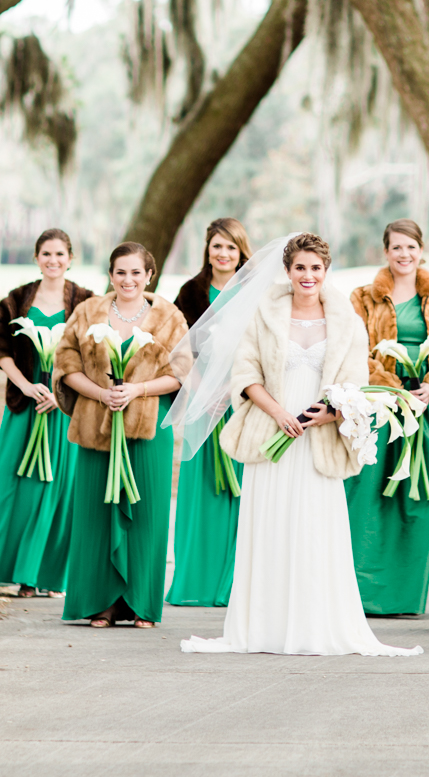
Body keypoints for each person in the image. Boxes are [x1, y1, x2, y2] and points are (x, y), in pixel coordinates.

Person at [180, 233, 421, 657]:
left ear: (325, 271)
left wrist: (330, 413)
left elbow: (355, 383)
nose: (308, 276)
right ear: (287, 271)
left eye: (315, 268)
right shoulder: (264, 312)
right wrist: (277, 413)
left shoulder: (345, 318)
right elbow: (245, 373)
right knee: (269, 525)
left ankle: (316, 625)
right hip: (272, 430)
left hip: (319, 437)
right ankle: (264, 627)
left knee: (315, 527)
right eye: (300, 268)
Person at [53, 242, 189, 628]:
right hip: (96, 426)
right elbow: (65, 364)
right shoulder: (88, 311)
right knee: (95, 515)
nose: (128, 280)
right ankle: (100, 604)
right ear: (110, 275)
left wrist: (136, 391)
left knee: (147, 515)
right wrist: (101, 394)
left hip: (147, 429)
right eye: (120, 272)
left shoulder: (168, 315)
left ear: (150, 275)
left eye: (136, 273)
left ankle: (142, 605)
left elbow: (181, 371)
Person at [345, 218, 429, 615]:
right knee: (369, 495)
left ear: (421, 251)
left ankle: (406, 597)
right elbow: (354, 349)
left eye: (411, 247)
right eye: (396, 247)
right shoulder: (363, 298)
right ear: (385, 251)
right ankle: (362, 594)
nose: (404, 254)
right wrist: (390, 388)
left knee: (419, 500)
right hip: (379, 405)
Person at [0, 228, 94, 598]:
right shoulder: (15, 301)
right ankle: (9, 570)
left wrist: (61, 394)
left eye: (60, 254)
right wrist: (26, 386)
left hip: (65, 407)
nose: (53, 260)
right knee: (15, 486)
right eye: (46, 254)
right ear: (36, 257)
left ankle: (45, 577)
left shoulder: (87, 303)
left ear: (70, 258)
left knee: (58, 488)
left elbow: (94, 357)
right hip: (24, 404)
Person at [166, 218, 253, 607]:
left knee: (241, 487)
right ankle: (196, 580)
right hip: (202, 400)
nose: (223, 254)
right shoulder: (191, 292)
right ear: (207, 249)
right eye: (217, 246)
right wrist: (204, 392)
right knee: (201, 490)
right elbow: (180, 350)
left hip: (242, 401)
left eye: (231, 247)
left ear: (241, 251)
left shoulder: (256, 292)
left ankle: (236, 582)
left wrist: (234, 391)